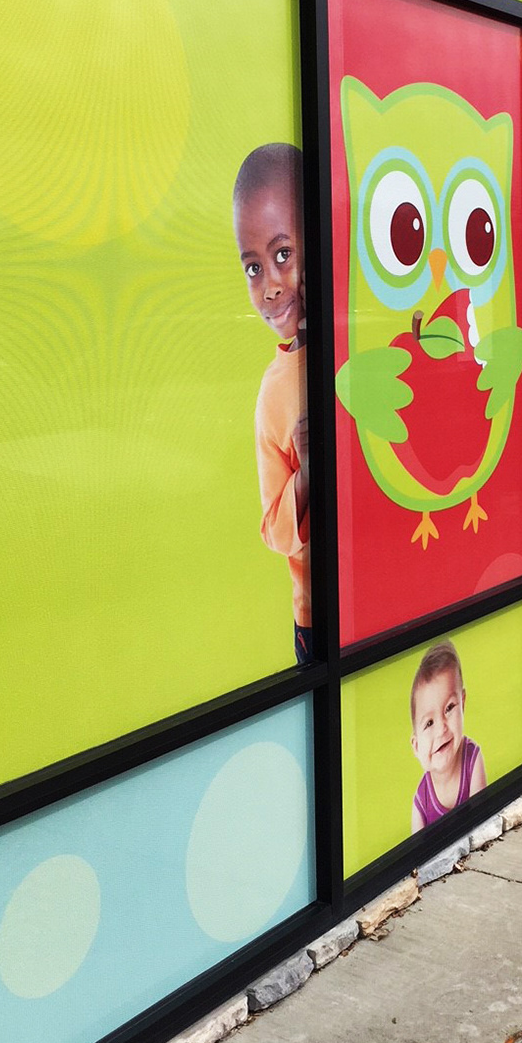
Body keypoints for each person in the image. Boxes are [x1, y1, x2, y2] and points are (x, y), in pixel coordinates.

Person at [233, 143, 312, 666]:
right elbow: (274, 530)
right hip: (317, 616)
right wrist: (305, 475)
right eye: (253, 267)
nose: (269, 286)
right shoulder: (275, 393)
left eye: (283, 255)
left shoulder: (353, 349)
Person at [409, 640, 486, 832]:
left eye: (449, 708)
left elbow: (481, 823)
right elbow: (418, 849)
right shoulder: (421, 802)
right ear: (416, 746)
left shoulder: (472, 759)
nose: (441, 728)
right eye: (429, 723)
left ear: (463, 703)